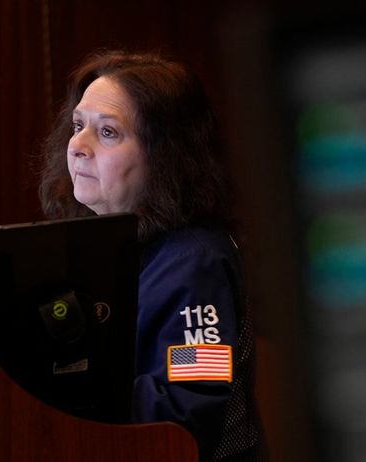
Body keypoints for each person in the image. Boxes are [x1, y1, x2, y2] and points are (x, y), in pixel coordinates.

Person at [38, 49, 264, 461]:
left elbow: (189, 405)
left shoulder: (198, 261)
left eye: (107, 133)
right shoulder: (105, 245)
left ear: (164, 156)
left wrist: (63, 387)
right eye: (78, 126)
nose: (77, 147)